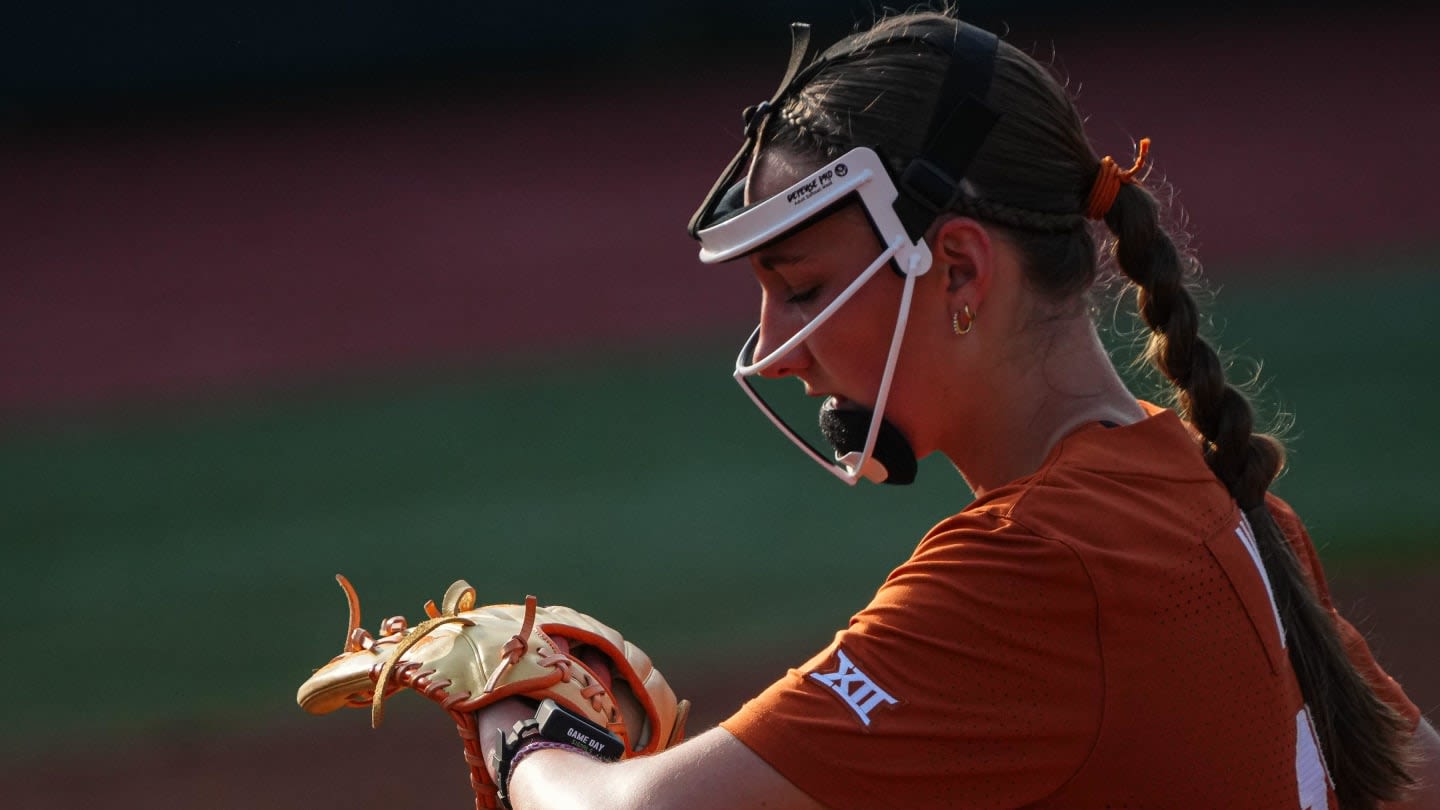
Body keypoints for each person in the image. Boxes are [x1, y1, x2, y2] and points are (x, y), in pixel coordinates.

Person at [477, 10, 1440, 808]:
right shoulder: (1217, 491)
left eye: (802, 289)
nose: (774, 352)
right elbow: (1412, 771)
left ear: (960, 268)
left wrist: (523, 729)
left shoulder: (1041, 567)